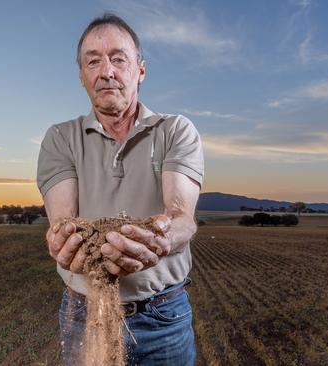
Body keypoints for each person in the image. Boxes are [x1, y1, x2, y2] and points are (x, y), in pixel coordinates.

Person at [36, 13, 204, 365]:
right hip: (85, 314)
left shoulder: (175, 130)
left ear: (140, 70)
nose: (106, 71)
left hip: (163, 316)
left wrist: (161, 239)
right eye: (93, 61)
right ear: (82, 76)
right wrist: (61, 242)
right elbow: (62, 220)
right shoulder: (60, 138)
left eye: (118, 58)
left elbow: (181, 217)